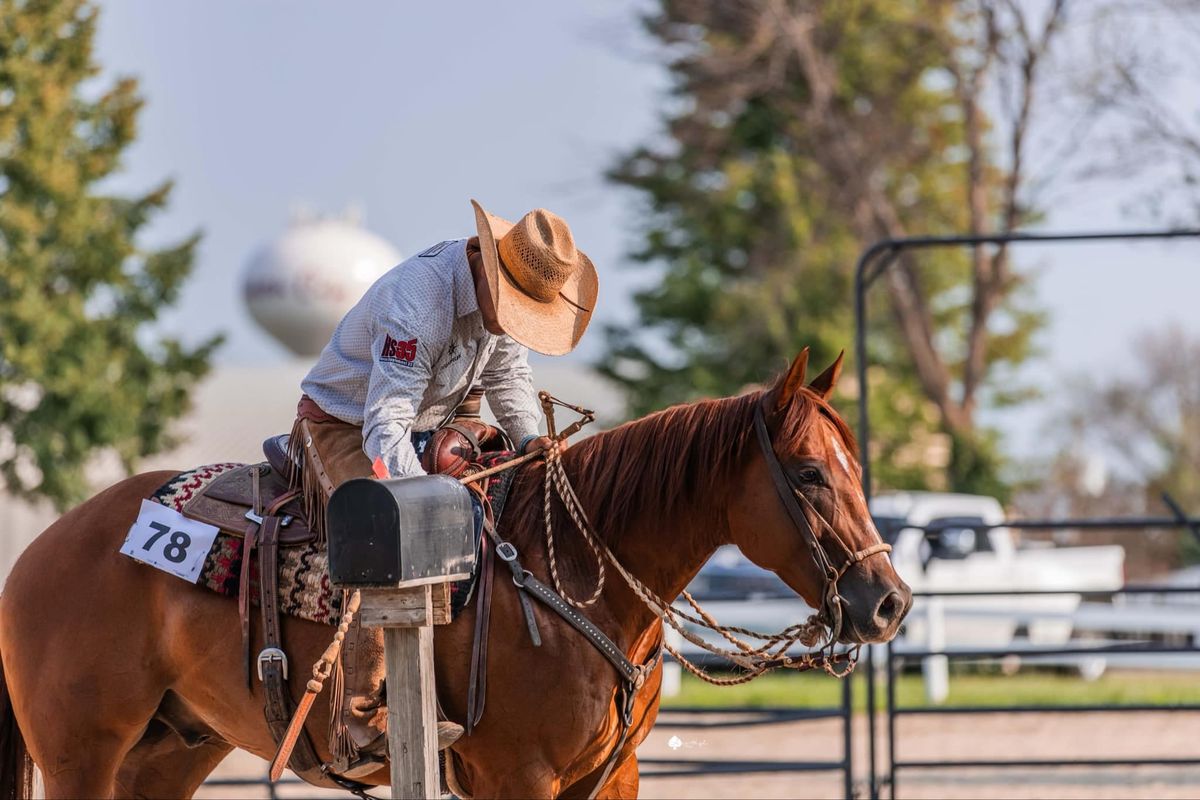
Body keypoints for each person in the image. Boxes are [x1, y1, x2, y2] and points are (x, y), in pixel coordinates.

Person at [287, 200, 598, 776]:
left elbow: (509, 377)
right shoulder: (419, 302)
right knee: (387, 540)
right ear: (487, 266)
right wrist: (419, 503)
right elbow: (386, 422)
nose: (516, 321)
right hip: (346, 425)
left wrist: (530, 442)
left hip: (433, 420)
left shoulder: (501, 297)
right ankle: (362, 717)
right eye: (515, 308)